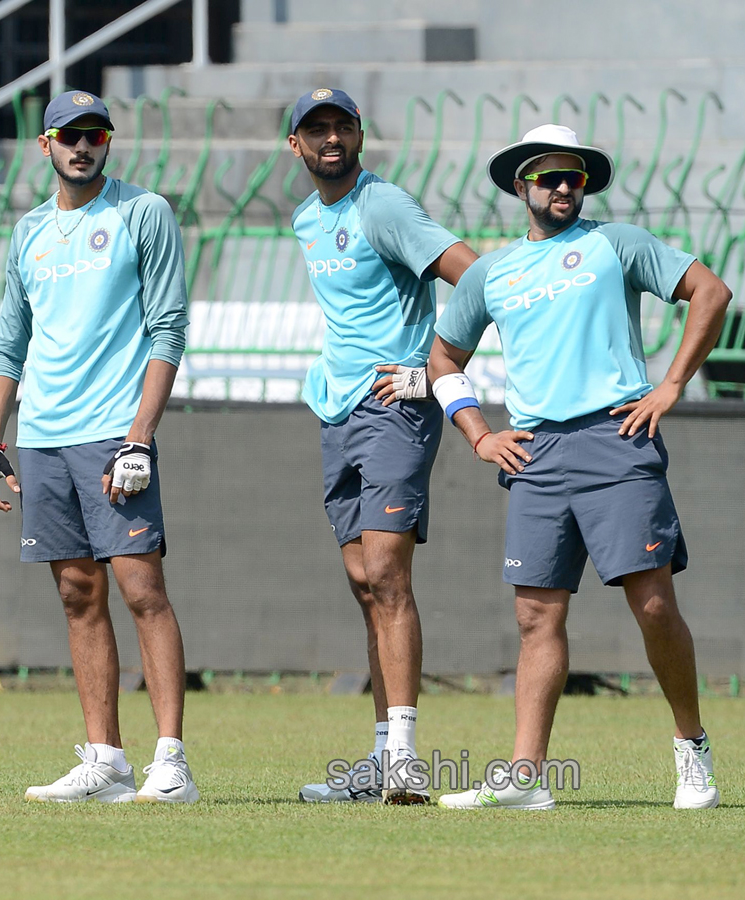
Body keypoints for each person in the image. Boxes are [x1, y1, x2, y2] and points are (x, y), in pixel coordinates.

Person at [429, 125, 731, 810]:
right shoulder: (491, 273)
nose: (564, 187)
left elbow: (710, 294)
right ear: (521, 187)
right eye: (548, 177)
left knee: (653, 605)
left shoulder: (614, 243)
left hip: (616, 438)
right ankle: (527, 781)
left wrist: (671, 384)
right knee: (536, 617)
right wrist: (477, 434)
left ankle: (692, 749)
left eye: (574, 177)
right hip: (536, 453)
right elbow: (443, 359)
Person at [0, 90, 196, 803]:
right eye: (68, 135)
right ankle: (105, 760)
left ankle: (172, 761)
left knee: (142, 589)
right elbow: (10, 344)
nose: (82, 145)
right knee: (76, 594)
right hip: (42, 437)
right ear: (45, 145)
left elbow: (168, 329)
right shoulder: (29, 231)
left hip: (113, 432)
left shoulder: (143, 213)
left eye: (94, 134)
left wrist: (141, 436)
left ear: (108, 142)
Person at [286, 88, 477, 804]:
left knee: (389, 578)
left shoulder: (384, 205)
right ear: (295, 146)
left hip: (394, 409)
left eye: (342, 126)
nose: (330, 138)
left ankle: (404, 759)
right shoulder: (308, 219)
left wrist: (434, 368)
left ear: (360, 135)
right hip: (338, 412)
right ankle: (379, 760)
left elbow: (478, 277)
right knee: (365, 583)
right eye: (316, 129)